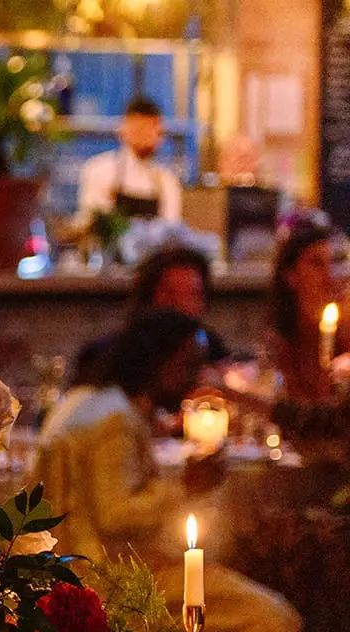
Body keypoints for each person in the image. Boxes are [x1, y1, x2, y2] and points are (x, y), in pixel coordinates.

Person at [38, 309, 300, 632]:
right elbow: (116, 514)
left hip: (87, 572)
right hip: (114, 584)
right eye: (186, 366)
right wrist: (184, 485)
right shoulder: (114, 421)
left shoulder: (87, 401)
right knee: (265, 616)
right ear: (155, 362)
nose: (194, 378)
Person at [74, 245, 234, 385]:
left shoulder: (210, 347)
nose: (182, 305)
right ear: (149, 298)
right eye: (171, 295)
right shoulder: (107, 355)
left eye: (193, 295)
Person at [264, 220, 341, 404]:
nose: (329, 276)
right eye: (317, 264)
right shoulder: (279, 343)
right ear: (291, 276)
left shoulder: (344, 336)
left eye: (333, 263)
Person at [77, 95, 182, 223]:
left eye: (152, 129)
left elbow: (171, 228)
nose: (145, 134)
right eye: (139, 129)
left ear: (160, 134)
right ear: (123, 130)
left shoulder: (167, 181)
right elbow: (91, 221)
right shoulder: (99, 170)